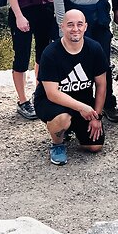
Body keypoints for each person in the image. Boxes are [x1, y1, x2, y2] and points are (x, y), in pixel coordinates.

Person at [34, 10, 108, 166]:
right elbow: (52, 93)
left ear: (85, 27)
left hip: (82, 100)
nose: (75, 29)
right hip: (52, 102)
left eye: (79, 24)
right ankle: (57, 144)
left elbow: (101, 85)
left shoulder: (94, 49)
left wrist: (97, 117)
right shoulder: (50, 53)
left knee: (95, 146)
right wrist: (83, 108)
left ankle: (71, 128)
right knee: (62, 119)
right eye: (70, 25)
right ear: (62, 27)